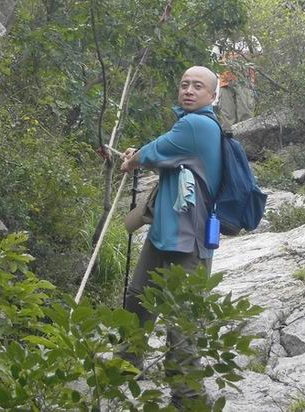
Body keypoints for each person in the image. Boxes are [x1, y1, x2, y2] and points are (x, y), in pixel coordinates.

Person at [119, 66, 222, 408]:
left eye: (197, 86)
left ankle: (189, 399)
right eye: (184, 85)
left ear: (212, 96)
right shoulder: (189, 125)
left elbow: (155, 151)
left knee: (182, 319)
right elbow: (165, 154)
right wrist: (139, 155)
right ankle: (126, 363)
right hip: (164, 234)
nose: (188, 90)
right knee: (138, 298)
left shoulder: (197, 125)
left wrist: (135, 158)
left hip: (188, 241)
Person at [213, 37, 261, 134]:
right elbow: (214, 63)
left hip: (245, 81)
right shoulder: (220, 43)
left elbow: (259, 58)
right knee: (227, 118)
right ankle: (228, 141)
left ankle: (247, 139)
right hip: (225, 82)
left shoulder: (250, 39)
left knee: (246, 115)